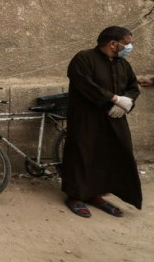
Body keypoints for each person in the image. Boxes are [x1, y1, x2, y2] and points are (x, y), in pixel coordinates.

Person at [62, 26, 141, 218]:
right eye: (127, 44)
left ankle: (95, 194)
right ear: (113, 44)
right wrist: (114, 99)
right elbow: (85, 85)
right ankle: (75, 196)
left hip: (114, 117)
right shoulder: (84, 58)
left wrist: (126, 103)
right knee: (82, 153)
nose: (129, 47)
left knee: (110, 153)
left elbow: (132, 86)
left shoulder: (122, 63)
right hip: (86, 118)